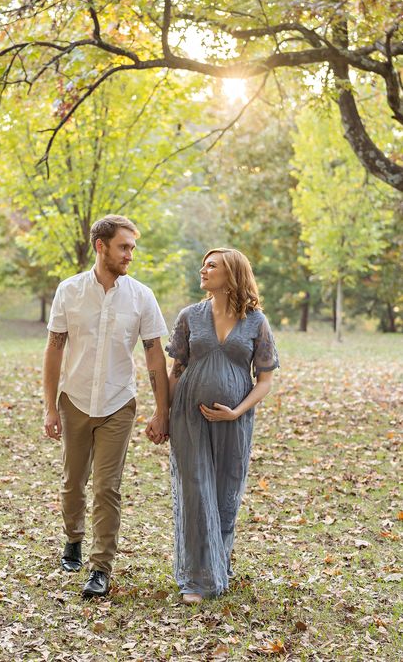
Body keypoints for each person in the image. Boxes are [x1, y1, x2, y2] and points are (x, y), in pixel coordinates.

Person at [43, 215, 169, 599]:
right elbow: (54, 348)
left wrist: (161, 410)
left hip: (118, 403)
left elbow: (154, 355)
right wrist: (50, 407)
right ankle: (73, 540)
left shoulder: (141, 296)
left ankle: (100, 567)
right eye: (124, 247)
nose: (130, 254)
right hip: (75, 400)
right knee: (72, 483)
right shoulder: (69, 291)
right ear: (101, 246)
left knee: (107, 488)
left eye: (132, 247)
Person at [166, 247, 279, 604]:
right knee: (196, 491)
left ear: (231, 275)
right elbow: (176, 370)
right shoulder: (189, 316)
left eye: (211, 265)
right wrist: (163, 414)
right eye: (204, 263)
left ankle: (219, 562)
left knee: (225, 495)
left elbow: (264, 380)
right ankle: (197, 580)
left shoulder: (256, 322)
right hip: (189, 416)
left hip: (235, 422)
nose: (203, 269)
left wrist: (236, 411)